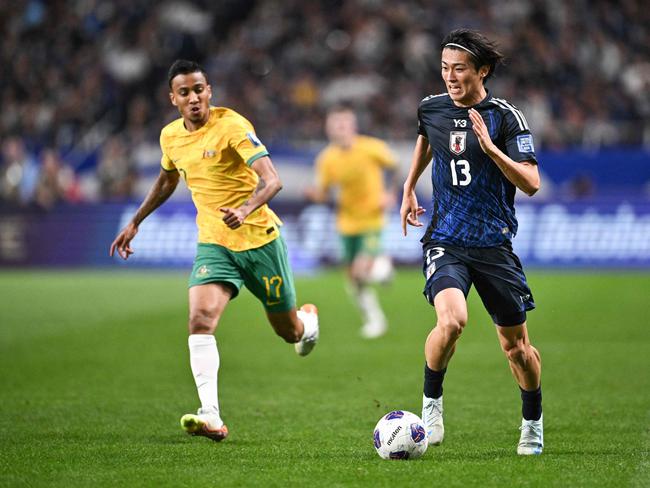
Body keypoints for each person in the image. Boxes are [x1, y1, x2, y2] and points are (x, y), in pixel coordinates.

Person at [110, 60, 319, 442]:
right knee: (201, 319)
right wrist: (136, 220)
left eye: (199, 90)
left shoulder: (233, 127)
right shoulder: (170, 137)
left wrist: (243, 208)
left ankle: (308, 323)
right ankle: (211, 414)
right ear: (172, 98)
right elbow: (167, 178)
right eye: (185, 92)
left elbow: (273, 181)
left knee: (288, 331)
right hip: (214, 243)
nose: (194, 98)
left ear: (209, 91)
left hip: (259, 240)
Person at [400, 29, 544, 455]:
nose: (449, 76)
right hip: (446, 239)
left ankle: (532, 423)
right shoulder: (432, 109)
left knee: (516, 348)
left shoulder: (506, 118)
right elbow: (428, 138)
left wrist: (492, 150)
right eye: (444, 68)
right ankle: (431, 407)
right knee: (451, 321)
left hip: (494, 245)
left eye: (459, 68)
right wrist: (409, 186)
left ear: (482, 71)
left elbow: (532, 183)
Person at [305, 106, 398, 339]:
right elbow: (324, 193)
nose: (339, 129)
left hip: (372, 219)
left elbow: (396, 168)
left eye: (343, 124)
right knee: (354, 280)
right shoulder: (327, 159)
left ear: (352, 127)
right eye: (334, 125)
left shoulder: (371, 148)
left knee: (360, 269)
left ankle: (382, 268)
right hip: (346, 223)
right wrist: (314, 195)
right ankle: (375, 319)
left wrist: (391, 193)